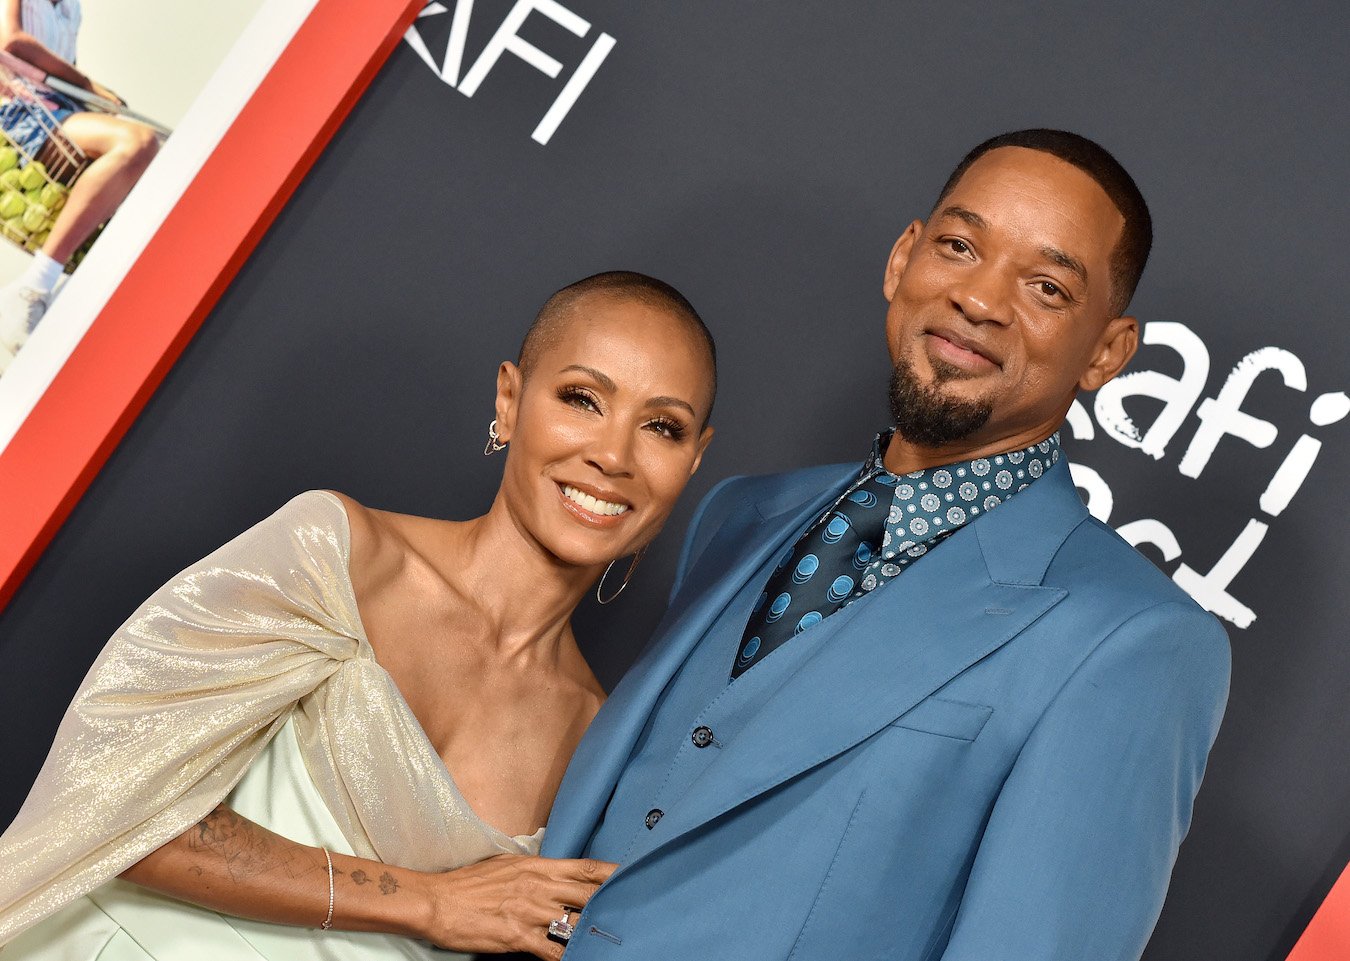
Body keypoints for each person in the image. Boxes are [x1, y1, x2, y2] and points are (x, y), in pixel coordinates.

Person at [539, 131, 1232, 960]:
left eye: (1046, 286)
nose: (980, 299)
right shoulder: (739, 512)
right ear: (904, 258)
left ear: (1108, 353)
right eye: (959, 246)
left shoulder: (1135, 641)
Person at [0, 270, 716, 960]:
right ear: (509, 399)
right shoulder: (338, 557)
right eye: (582, 399)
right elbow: (110, 802)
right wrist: (431, 903)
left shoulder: (596, 743)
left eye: (661, 426)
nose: (613, 454)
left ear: (692, 461)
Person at [0, 0, 160, 373]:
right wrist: (90, 87)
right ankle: (34, 286)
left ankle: (72, 302)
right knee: (135, 144)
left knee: (145, 178)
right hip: (18, 115)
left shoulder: (71, 8)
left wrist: (98, 101)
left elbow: (62, 75)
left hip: (57, 112)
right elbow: (11, 41)